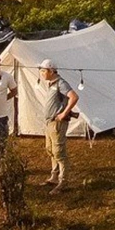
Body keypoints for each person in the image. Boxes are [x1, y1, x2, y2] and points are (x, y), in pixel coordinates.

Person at [38, 59, 79, 190]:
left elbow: (74, 97)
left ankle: (63, 180)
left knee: (59, 152)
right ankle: (54, 176)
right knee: (50, 149)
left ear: (51, 71)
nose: (42, 73)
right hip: (49, 122)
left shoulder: (61, 83)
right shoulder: (51, 83)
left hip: (57, 123)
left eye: (44, 71)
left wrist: (63, 113)